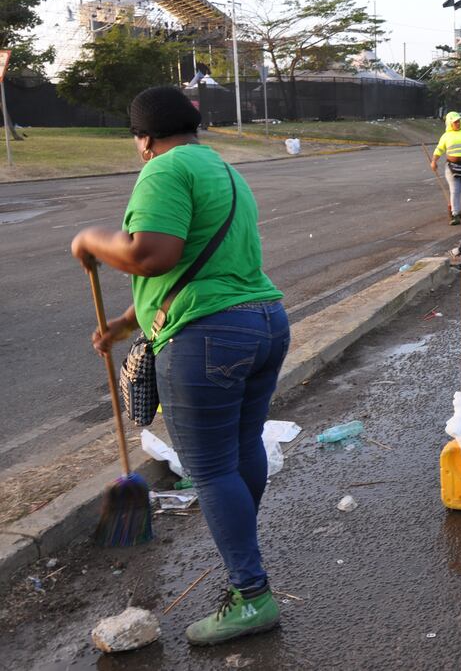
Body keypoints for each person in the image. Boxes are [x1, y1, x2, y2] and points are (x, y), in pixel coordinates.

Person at [70, 87, 288, 646]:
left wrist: (91, 239)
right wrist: (128, 320)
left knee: (212, 469)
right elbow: (198, 262)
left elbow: (151, 254)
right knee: (240, 451)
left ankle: (251, 594)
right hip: (263, 322)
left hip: (209, 337)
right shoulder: (222, 169)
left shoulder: (163, 171)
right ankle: (243, 551)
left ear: (143, 138)